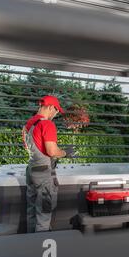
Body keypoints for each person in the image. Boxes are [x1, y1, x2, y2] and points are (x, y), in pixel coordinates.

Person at [22, 95, 76, 233]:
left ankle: (29, 245)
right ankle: (41, 250)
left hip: (31, 170)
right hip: (43, 173)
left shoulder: (29, 124)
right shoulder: (47, 124)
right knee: (44, 212)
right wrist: (65, 153)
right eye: (56, 111)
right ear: (51, 107)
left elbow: (31, 147)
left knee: (31, 211)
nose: (56, 114)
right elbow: (51, 151)